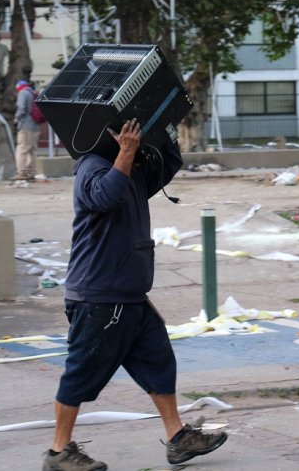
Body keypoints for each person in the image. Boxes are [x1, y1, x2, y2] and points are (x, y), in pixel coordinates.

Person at [42, 118, 227, 471]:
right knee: (81, 374)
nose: (131, 138)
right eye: (125, 133)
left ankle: (177, 439)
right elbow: (105, 197)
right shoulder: (91, 166)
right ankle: (58, 452)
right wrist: (126, 152)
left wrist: (167, 130)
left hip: (130, 295)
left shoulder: (132, 169)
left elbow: (167, 167)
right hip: (99, 296)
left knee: (159, 363)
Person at [13, 80, 41, 181]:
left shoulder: (23, 93)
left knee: (21, 150)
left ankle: (22, 173)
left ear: (19, 87)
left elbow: (22, 108)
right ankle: (31, 172)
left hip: (26, 126)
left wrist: (16, 119)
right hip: (36, 127)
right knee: (32, 150)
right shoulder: (34, 93)